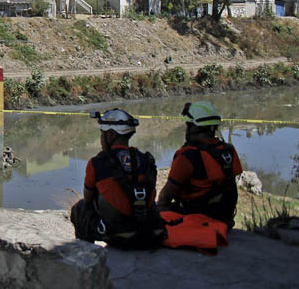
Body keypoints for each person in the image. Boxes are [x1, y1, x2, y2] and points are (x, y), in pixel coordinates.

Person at [70, 108, 166, 249]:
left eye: (102, 134)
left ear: (111, 134)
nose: (101, 138)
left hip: (119, 236)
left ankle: (86, 255)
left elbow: (88, 197)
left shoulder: (97, 163)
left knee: (81, 208)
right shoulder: (147, 160)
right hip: (150, 233)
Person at [157, 101, 242, 229]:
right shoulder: (228, 150)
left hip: (196, 218)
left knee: (155, 209)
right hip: (225, 218)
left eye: (188, 125)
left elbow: (166, 196)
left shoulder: (188, 156)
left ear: (195, 127)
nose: (186, 129)